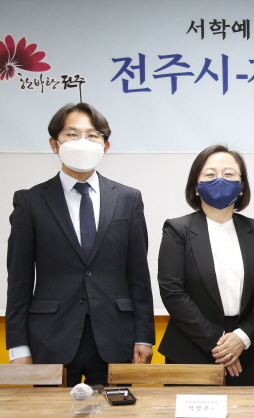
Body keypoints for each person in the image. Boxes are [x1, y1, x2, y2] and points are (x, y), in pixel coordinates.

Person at [6, 103, 155, 386]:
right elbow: (19, 280)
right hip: (50, 340)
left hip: (116, 338)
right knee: (48, 409)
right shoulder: (30, 202)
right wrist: (18, 347)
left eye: (92, 135)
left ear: (105, 146)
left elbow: (138, 275)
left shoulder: (128, 199)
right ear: (55, 144)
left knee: (118, 408)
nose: (83, 142)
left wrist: (144, 336)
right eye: (72, 134)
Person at [157, 145, 254, 386]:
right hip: (190, 349)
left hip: (244, 349)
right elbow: (172, 292)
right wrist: (220, 344)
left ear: (241, 187)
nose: (219, 180)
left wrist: (241, 338)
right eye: (210, 174)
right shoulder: (177, 230)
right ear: (196, 186)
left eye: (229, 174)